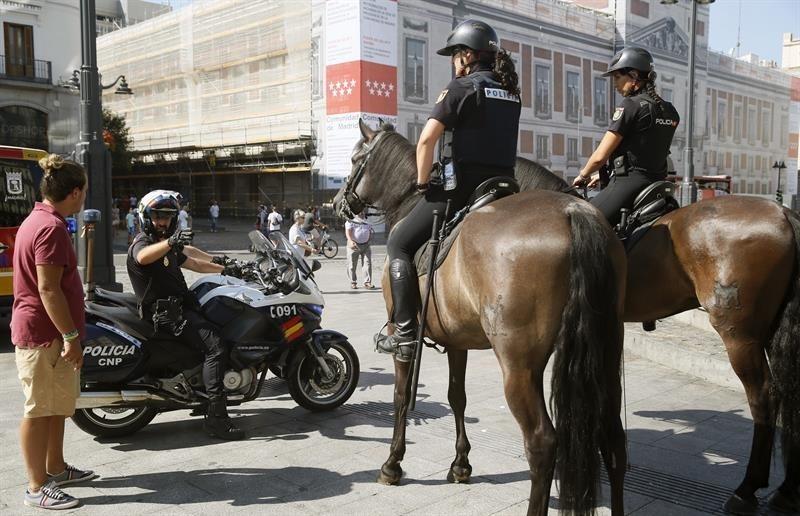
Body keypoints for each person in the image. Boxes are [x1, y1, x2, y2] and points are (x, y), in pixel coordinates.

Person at [375, 19, 521, 361]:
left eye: (455, 54)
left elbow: (427, 140)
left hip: (463, 188)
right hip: (505, 187)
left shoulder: (461, 88)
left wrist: (423, 181)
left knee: (398, 242)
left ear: (467, 55)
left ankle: (406, 333)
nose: (453, 62)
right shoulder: (511, 92)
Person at [11, 154, 98, 510]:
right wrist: (71, 337)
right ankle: (36, 487)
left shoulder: (41, 220)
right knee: (38, 410)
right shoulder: (50, 228)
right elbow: (48, 289)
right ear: (75, 192)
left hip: (50, 335)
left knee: (56, 408)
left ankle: (56, 469)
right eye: (85, 193)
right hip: (44, 335)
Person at [127, 190, 245, 440]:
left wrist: (227, 267)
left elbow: (195, 262)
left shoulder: (164, 246)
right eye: (158, 216)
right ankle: (217, 419)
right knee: (216, 347)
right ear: (146, 218)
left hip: (179, 310)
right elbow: (141, 257)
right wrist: (170, 243)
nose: (163, 222)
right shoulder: (144, 243)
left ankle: (202, 396)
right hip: (168, 318)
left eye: (168, 217)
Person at [572, 46, 680, 226]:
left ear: (634, 76)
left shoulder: (630, 105)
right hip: (658, 184)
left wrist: (582, 176)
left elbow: (600, 157)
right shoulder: (670, 111)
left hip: (630, 184)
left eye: (617, 77)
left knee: (584, 223)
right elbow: (648, 148)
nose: (614, 83)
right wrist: (601, 176)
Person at [345, 211, 374, 289]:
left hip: (366, 245)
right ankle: (353, 282)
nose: (362, 212)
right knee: (352, 265)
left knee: (367, 263)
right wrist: (350, 241)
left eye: (363, 211)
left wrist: (369, 238)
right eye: (359, 211)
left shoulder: (367, 220)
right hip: (354, 244)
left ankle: (367, 282)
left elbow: (370, 230)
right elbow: (348, 232)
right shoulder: (351, 220)